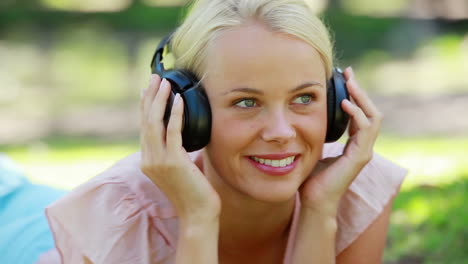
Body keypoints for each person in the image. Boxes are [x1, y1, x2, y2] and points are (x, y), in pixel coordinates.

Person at [41, 0, 407, 263]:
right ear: (187, 112)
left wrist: (320, 209)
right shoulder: (114, 221)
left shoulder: (355, 190)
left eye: (304, 98)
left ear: (336, 101)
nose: (281, 132)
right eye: (247, 102)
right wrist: (198, 218)